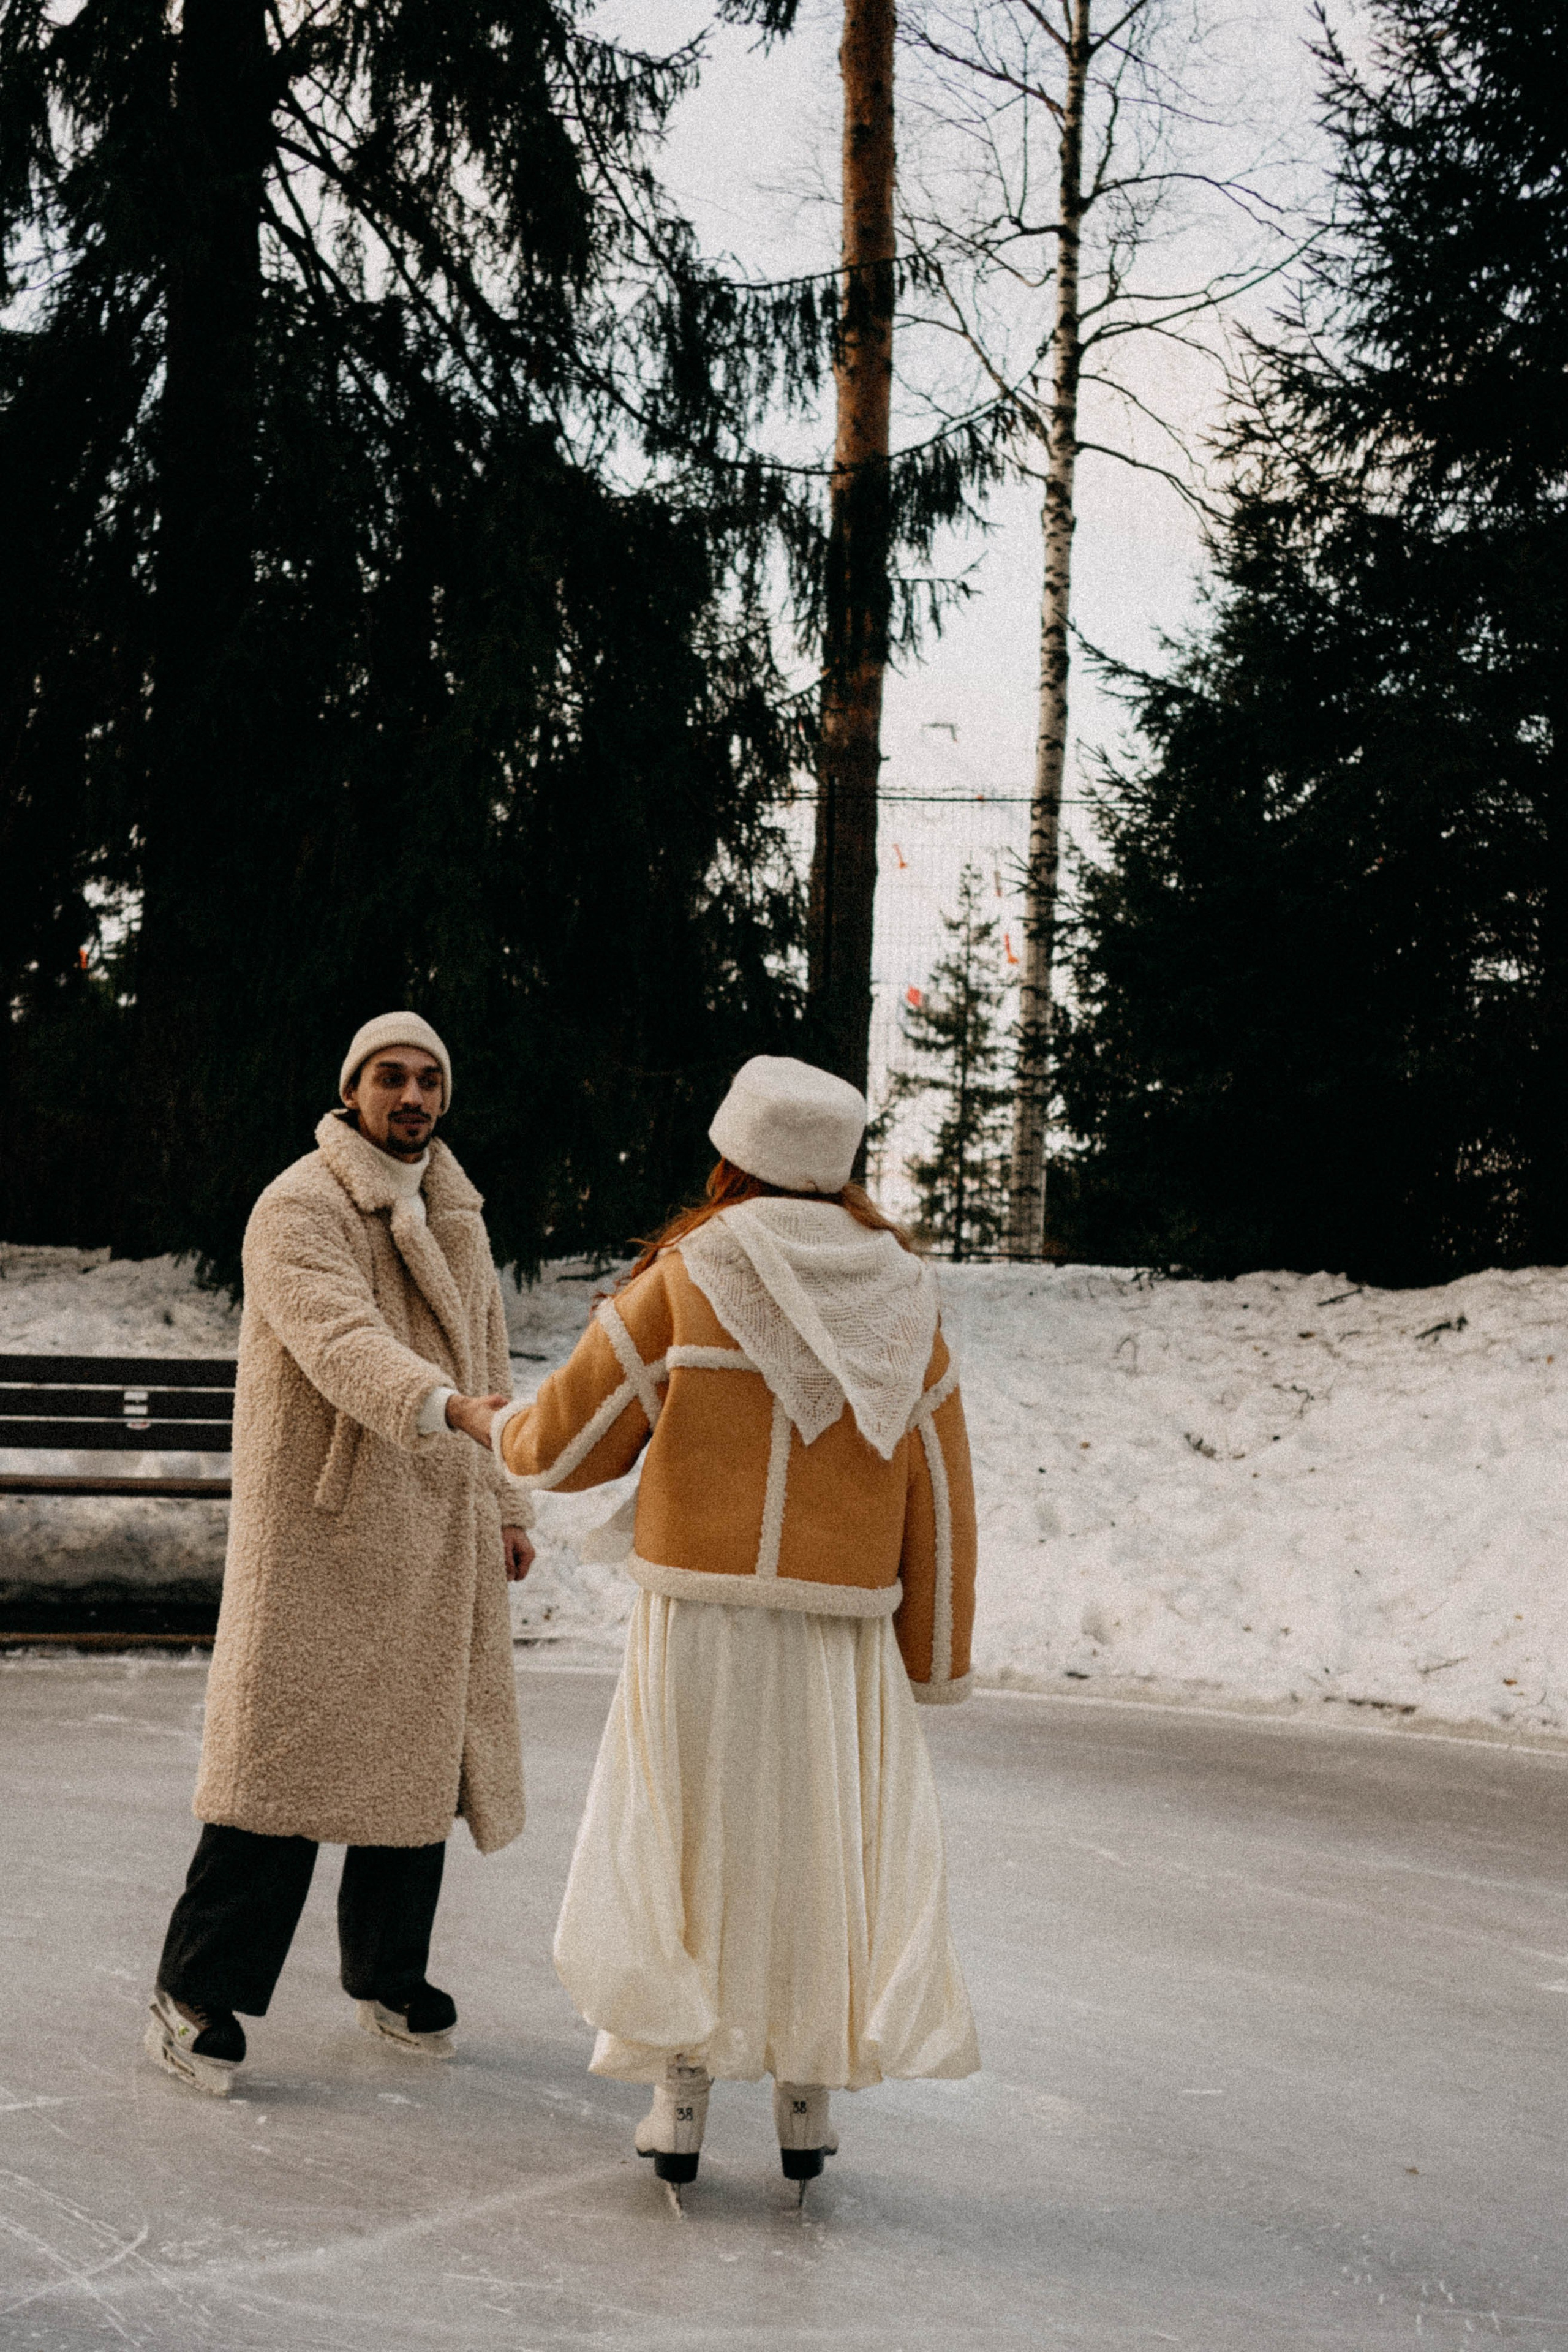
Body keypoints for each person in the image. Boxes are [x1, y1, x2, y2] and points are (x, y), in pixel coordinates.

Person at [448, 1054, 979, 2201]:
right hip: (840, 1639)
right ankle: (807, 2097)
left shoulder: (692, 1272)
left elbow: (570, 1445)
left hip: (702, 1620)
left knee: (686, 1843)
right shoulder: (905, 1289)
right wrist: (935, 1654)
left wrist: (502, 1428)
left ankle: (678, 2091)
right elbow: (941, 1481)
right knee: (817, 1851)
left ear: (732, 1153)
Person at [144, 1012, 534, 2095]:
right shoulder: (298, 1205)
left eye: (427, 1081)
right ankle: (192, 1992)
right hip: (323, 1534)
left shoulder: (456, 1213)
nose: (411, 1097)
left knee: (415, 1752)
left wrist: (507, 1505)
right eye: (390, 1078)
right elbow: (339, 1341)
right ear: (351, 1089)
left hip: (436, 1512)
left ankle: (387, 1975)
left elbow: (489, 1351)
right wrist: (448, 1408)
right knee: (285, 1761)